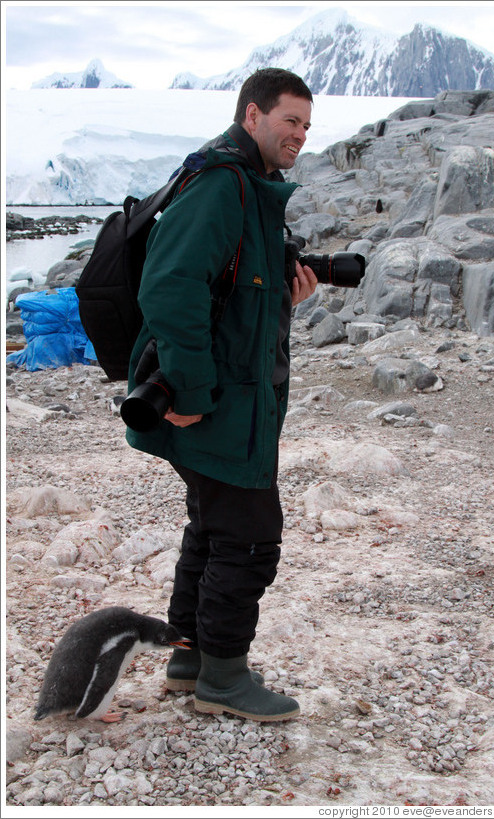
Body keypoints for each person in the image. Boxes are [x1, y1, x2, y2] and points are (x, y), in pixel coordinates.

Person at [125, 68, 317, 722]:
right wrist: (194, 391)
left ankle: (189, 657)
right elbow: (170, 288)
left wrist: (283, 298)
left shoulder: (247, 183)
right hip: (216, 398)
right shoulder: (222, 183)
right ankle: (224, 679)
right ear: (253, 113)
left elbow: (232, 297)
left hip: (224, 393)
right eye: (290, 120)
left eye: (306, 125)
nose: (299, 134)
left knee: (212, 525)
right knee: (251, 534)